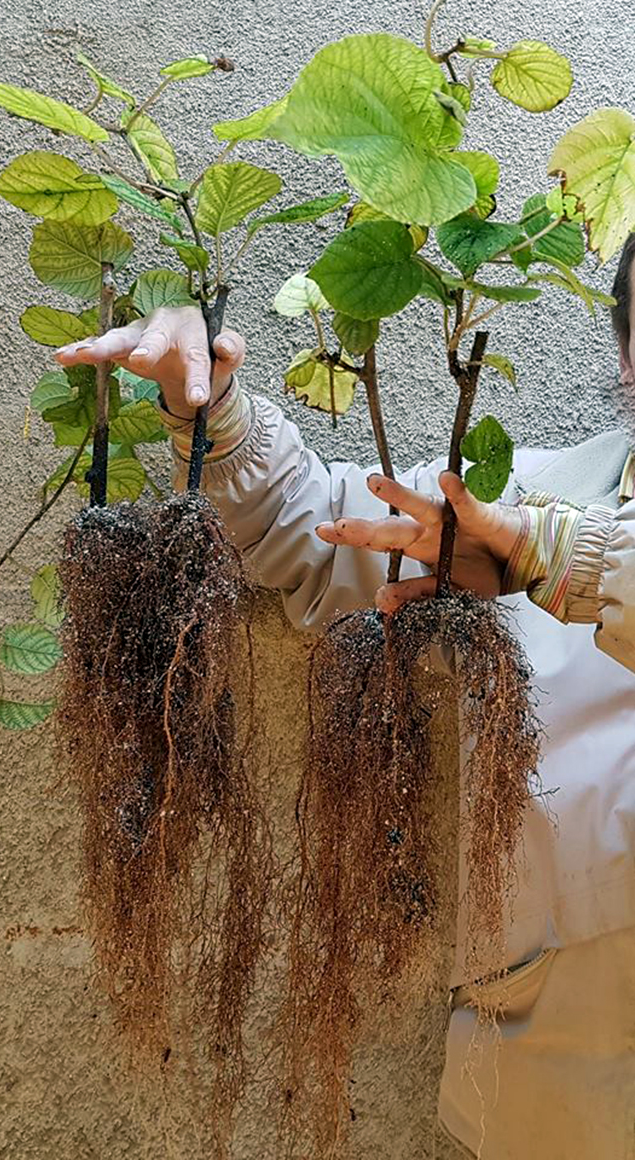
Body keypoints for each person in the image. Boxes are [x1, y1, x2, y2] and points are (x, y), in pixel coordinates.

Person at [55, 234, 635, 1160]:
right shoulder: (533, 496)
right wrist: (210, 407)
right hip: (558, 1062)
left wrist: (556, 558)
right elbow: (321, 534)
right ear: (626, 357)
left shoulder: (539, 533)